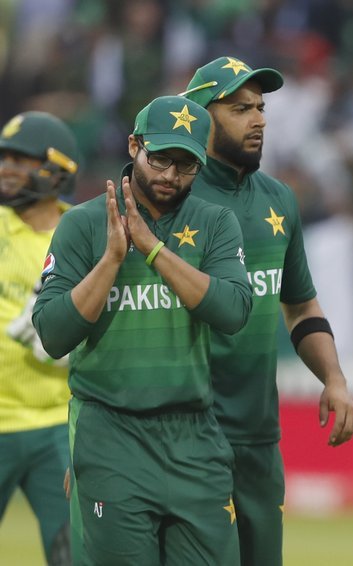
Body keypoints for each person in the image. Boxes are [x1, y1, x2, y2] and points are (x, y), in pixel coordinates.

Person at [32, 95, 252, 565]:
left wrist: (152, 250)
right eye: (160, 159)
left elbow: (233, 312)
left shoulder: (215, 223)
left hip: (194, 436)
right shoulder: (82, 225)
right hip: (112, 436)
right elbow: (52, 335)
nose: (170, 175)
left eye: (186, 164)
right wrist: (112, 258)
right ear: (134, 145)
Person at [181, 56, 353, 566]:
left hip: (259, 434)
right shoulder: (173, 200)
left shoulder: (279, 199)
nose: (259, 119)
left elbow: (300, 305)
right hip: (187, 433)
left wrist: (335, 378)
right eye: (240, 109)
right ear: (199, 115)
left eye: (261, 107)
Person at [0, 111, 80, 566]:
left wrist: (72, 336)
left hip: (57, 424)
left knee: (74, 552)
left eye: (21, 158)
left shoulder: (87, 232)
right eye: (4, 157)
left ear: (57, 168)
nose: (7, 167)